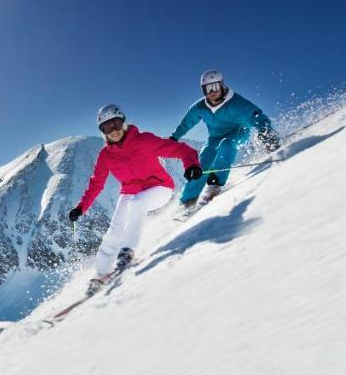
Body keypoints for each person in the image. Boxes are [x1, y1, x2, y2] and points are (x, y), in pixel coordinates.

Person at [68, 104, 202, 295]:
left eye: (115, 124)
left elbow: (181, 150)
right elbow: (96, 184)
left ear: (123, 122)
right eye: (106, 127)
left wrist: (192, 165)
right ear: (102, 131)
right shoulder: (105, 156)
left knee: (137, 203)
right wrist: (81, 208)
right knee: (115, 226)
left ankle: (127, 252)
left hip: (160, 188)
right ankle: (100, 274)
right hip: (130, 192)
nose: (112, 130)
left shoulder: (144, 140)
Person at [169, 69, 281, 211]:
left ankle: (215, 184)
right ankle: (187, 201)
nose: (212, 92)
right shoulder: (200, 107)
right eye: (207, 88)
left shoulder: (236, 103)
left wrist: (266, 133)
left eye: (215, 86)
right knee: (202, 163)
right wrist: (174, 138)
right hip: (215, 137)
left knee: (226, 145)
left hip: (239, 132)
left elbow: (257, 116)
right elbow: (186, 123)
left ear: (221, 85)